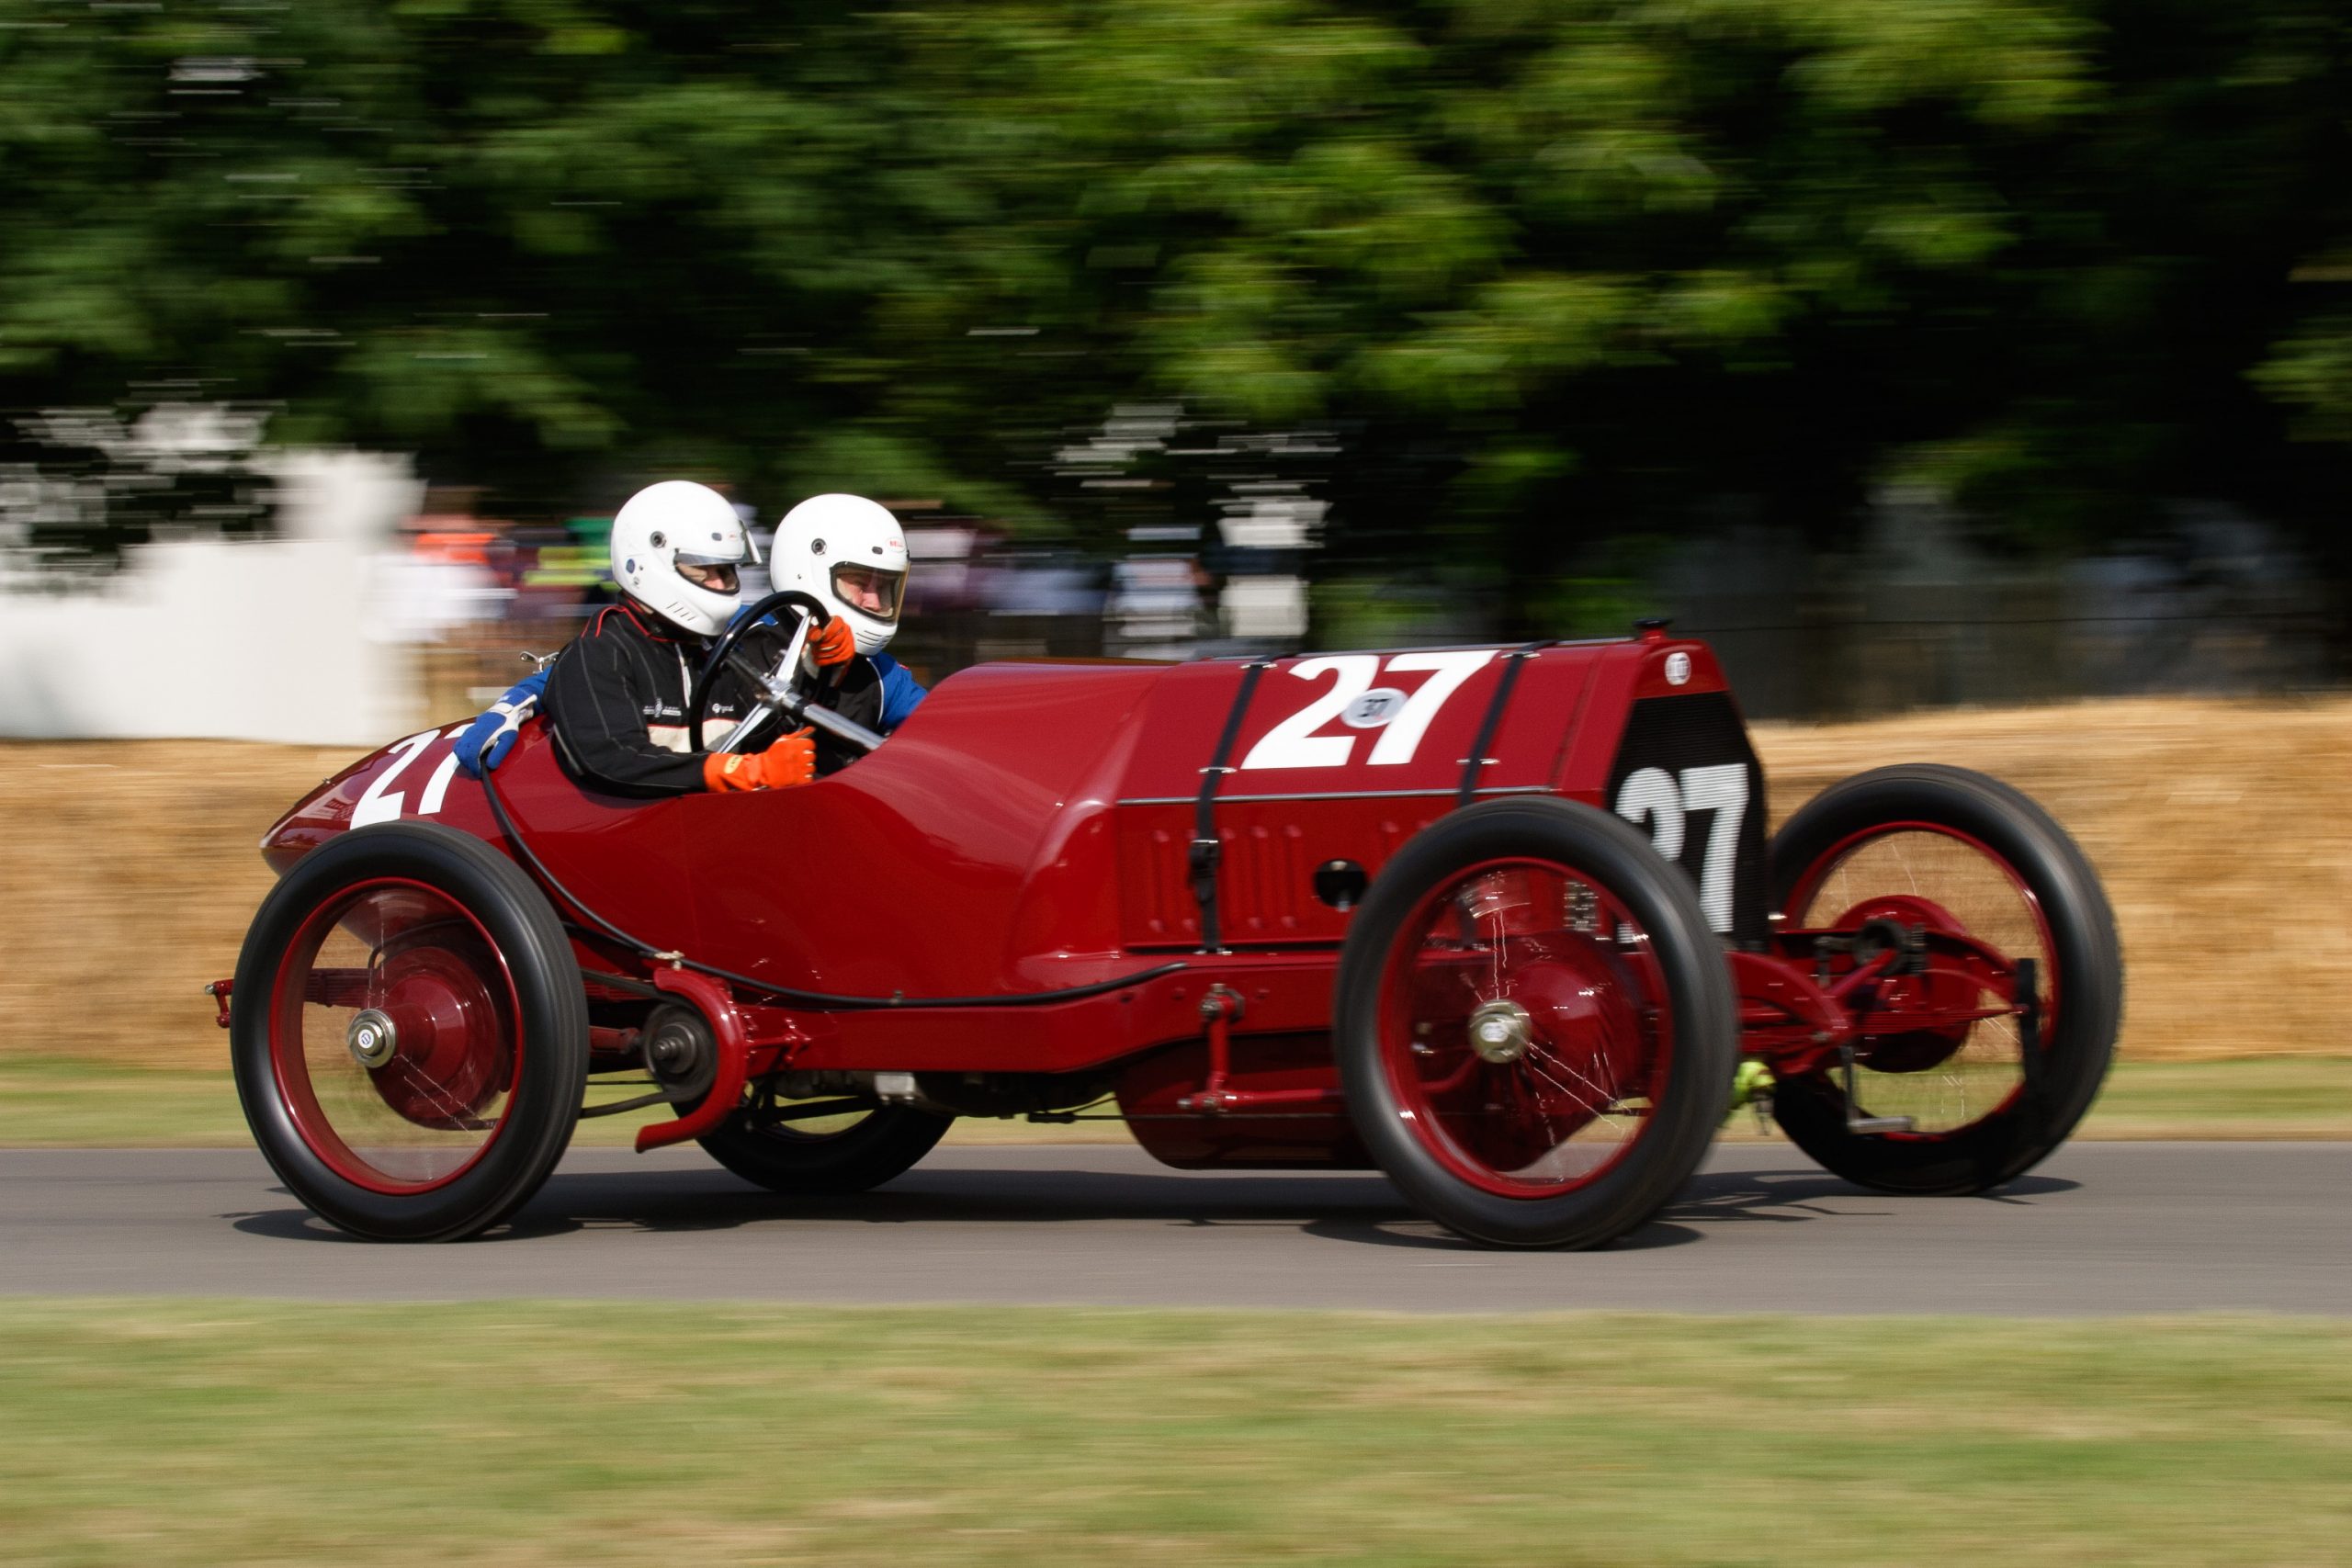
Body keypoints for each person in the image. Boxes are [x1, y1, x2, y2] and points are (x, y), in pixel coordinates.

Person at [455, 485, 924, 792]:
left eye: (884, 587)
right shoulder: (732, 639)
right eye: (860, 581)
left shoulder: (719, 646)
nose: (872, 598)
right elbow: (594, 712)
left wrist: (824, 666)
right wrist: (515, 699)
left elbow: (772, 726)